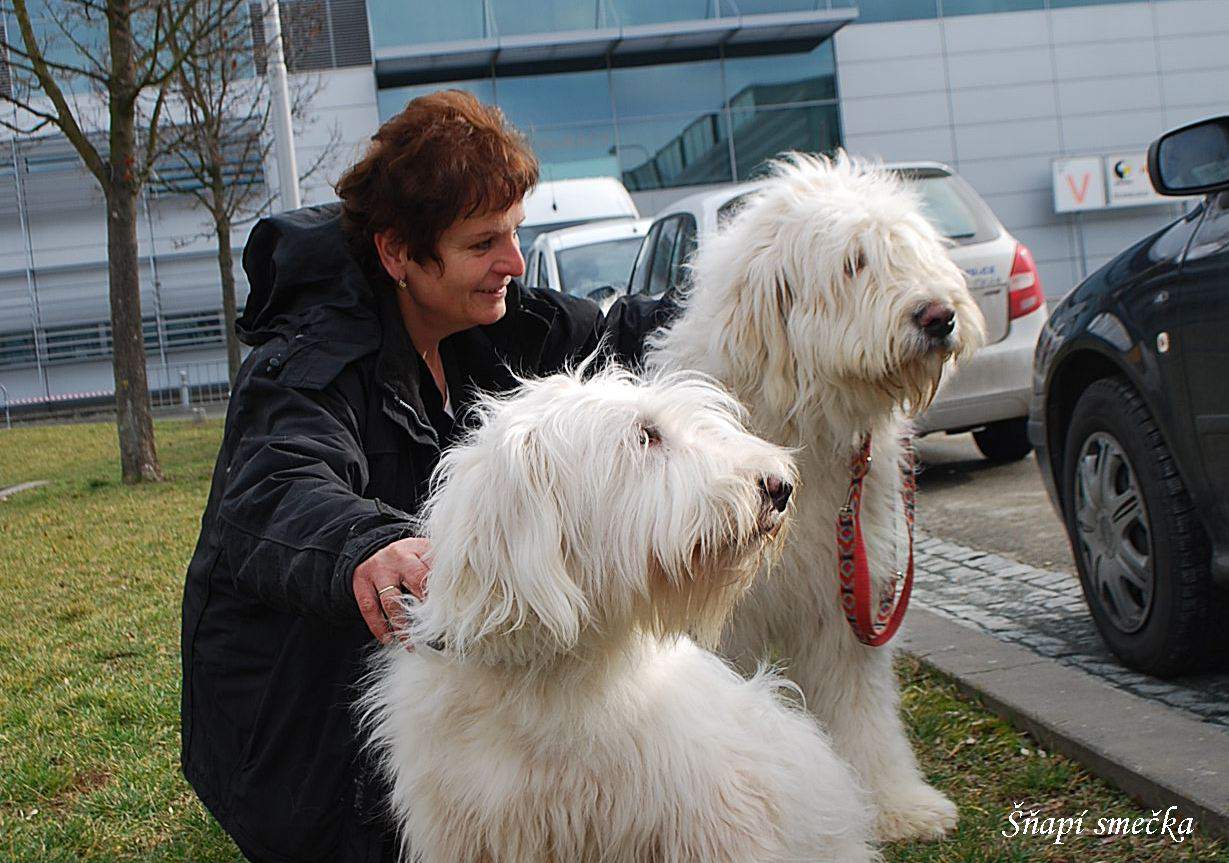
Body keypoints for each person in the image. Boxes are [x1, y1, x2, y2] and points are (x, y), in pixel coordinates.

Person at [179, 91, 670, 863]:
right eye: (483, 243)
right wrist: (368, 545)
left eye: (513, 232)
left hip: (429, 695)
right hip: (305, 735)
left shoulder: (494, 324)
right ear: (397, 253)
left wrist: (744, 304)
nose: (513, 262)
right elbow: (278, 484)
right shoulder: (305, 365)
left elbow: (617, 336)